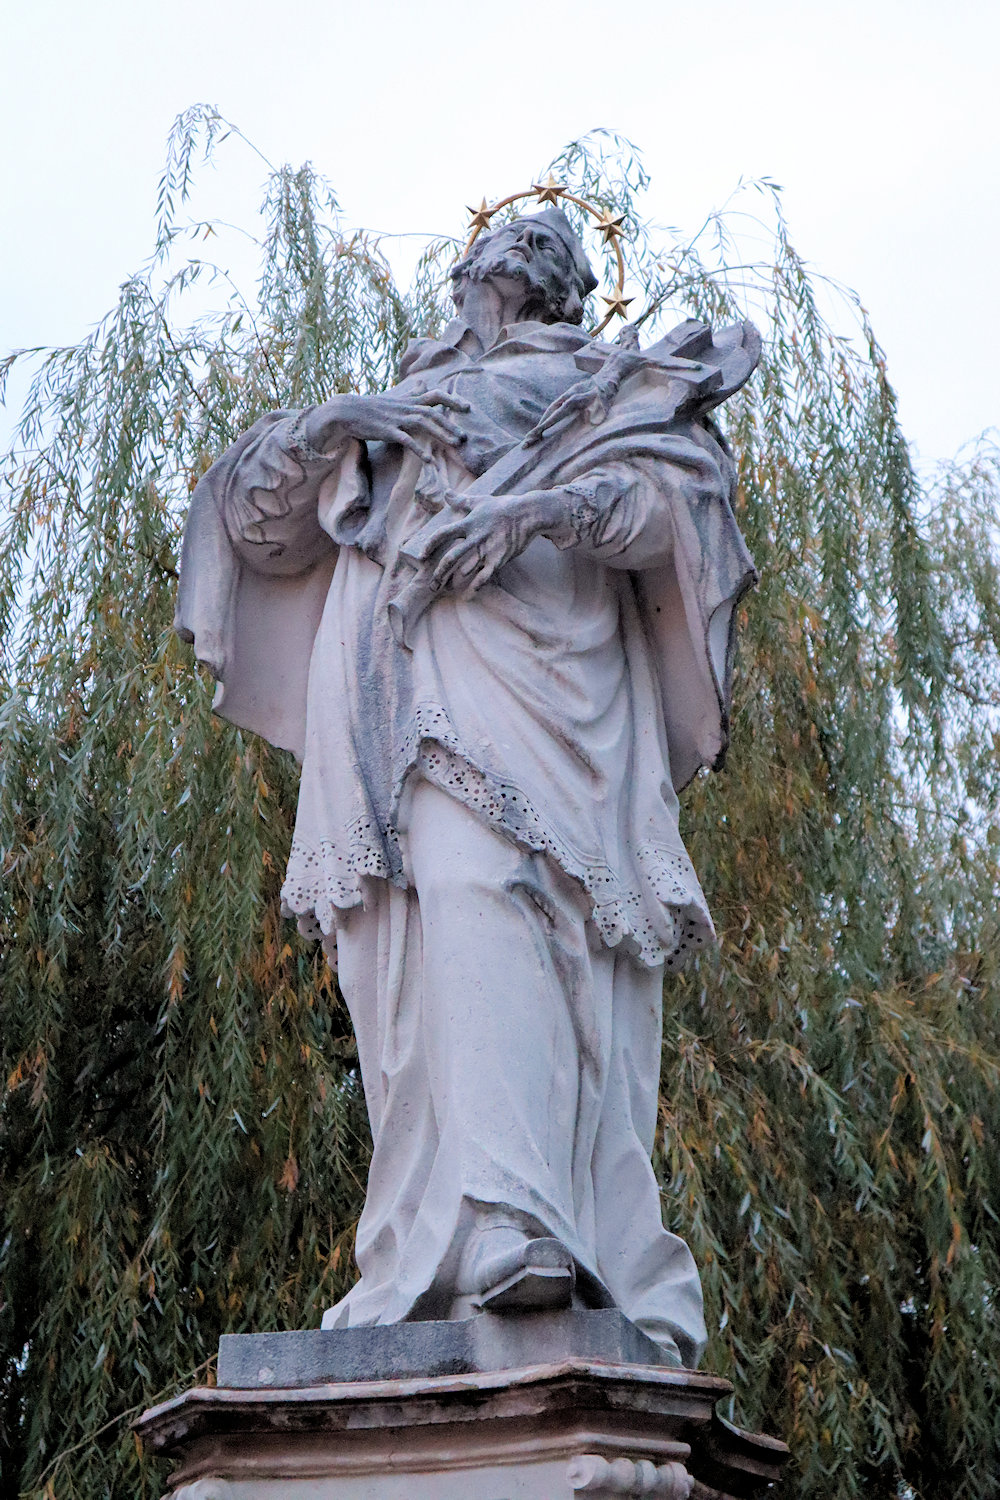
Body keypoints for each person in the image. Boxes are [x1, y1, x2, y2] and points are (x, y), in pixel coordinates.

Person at [175, 208, 758, 1366]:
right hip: (394, 700)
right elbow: (257, 524)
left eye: (514, 254)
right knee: (404, 967)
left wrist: (533, 511)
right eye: (479, 256)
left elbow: (671, 518)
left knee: (528, 925)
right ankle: (435, 1235)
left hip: (544, 688)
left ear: (554, 285)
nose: (480, 268)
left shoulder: (610, 391)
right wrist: (338, 422)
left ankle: (518, 1222)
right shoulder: (398, 404)